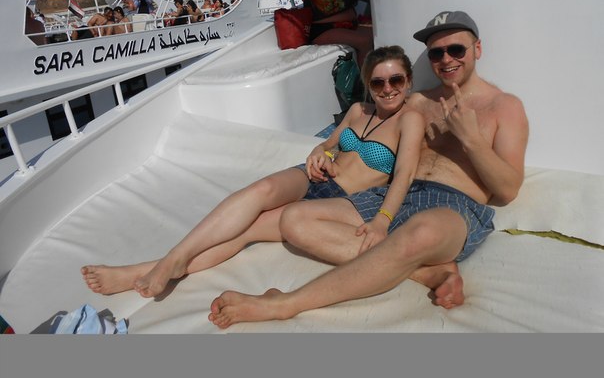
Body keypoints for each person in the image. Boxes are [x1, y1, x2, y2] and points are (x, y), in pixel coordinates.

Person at [207, 10, 530, 329]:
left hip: (453, 206)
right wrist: (326, 151)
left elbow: (508, 189)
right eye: (436, 52)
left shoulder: (504, 107)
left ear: (477, 49)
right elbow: (370, 125)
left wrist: (472, 141)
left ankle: (285, 303)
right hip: (394, 195)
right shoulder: (417, 102)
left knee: (421, 232)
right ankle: (425, 272)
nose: (446, 59)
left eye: (456, 49)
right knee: (294, 219)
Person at [81, 46, 427, 298]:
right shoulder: (357, 111)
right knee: (258, 191)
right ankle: (175, 258)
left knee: (248, 230)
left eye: (395, 79)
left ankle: (142, 271)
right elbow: (328, 144)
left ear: (408, 81)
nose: (387, 89)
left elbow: (405, 174)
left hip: (339, 197)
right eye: (378, 82)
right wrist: (318, 153)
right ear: (369, 84)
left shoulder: (408, 120)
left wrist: (382, 220)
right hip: (314, 176)